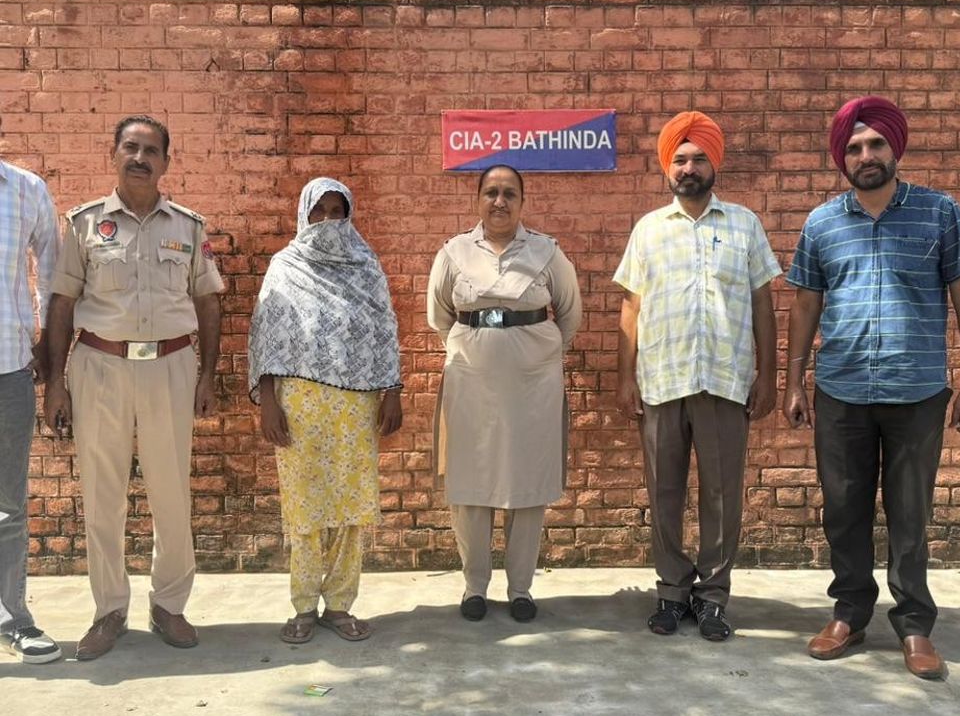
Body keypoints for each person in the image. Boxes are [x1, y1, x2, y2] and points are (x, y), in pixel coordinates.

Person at [784, 96, 960, 681]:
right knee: (843, 510)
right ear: (841, 157)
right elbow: (806, 304)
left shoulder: (938, 212)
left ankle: (915, 623)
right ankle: (849, 613)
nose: (865, 155)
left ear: (895, 148)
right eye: (853, 147)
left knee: (910, 512)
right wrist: (793, 381)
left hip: (916, 390)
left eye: (875, 144)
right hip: (841, 390)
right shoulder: (822, 223)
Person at [43, 115, 224, 660]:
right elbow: (62, 303)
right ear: (114, 155)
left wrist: (208, 374)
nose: (140, 158)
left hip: (170, 366)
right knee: (102, 495)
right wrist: (55, 383)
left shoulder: (187, 227)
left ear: (166, 162)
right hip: (100, 366)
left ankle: (169, 604)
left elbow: (207, 301)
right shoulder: (84, 225)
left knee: (172, 491)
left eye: (151, 151)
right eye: (130, 148)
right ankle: (109, 610)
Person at [615, 111, 781, 641]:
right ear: (668, 167)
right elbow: (631, 307)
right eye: (680, 159)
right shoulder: (648, 229)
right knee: (663, 492)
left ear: (715, 164)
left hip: (725, 381)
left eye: (699, 159)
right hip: (662, 380)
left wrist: (769, 374)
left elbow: (763, 303)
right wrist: (625, 378)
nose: (689, 168)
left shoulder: (744, 225)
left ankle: (712, 597)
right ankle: (671, 591)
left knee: (722, 495)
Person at [248, 178, 403, 644]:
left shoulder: (365, 266)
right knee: (305, 507)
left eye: (338, 213)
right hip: (300, 403)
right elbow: (265, 335)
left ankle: (339, 604)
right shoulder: (285, 266)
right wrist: (268, 401)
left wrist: (392, 391)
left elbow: (384, 329)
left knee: (349, 507)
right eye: (320, 212)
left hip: (355, 403)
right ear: (304, 215)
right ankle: (302, 606)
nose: (328, 222)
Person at [427, 164, 581, 623]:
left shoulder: (547, 252)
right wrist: (479, 347)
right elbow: (439, 316)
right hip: (471, 381)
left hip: (533, 385)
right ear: (478, 199)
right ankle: (475, 586)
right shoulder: (454, 252)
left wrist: (532, 353)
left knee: (526, 483)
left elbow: (569, 313)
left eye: (509, 193)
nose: (500, 201)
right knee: (470, 481)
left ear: (522, 202)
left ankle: (520, 589)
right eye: (491, 192)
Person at [0, 158, 61, 664]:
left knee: (8, 506)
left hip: (7, 370)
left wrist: (43, 341)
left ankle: (12, 619)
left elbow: (52, 272)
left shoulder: (24, 189)